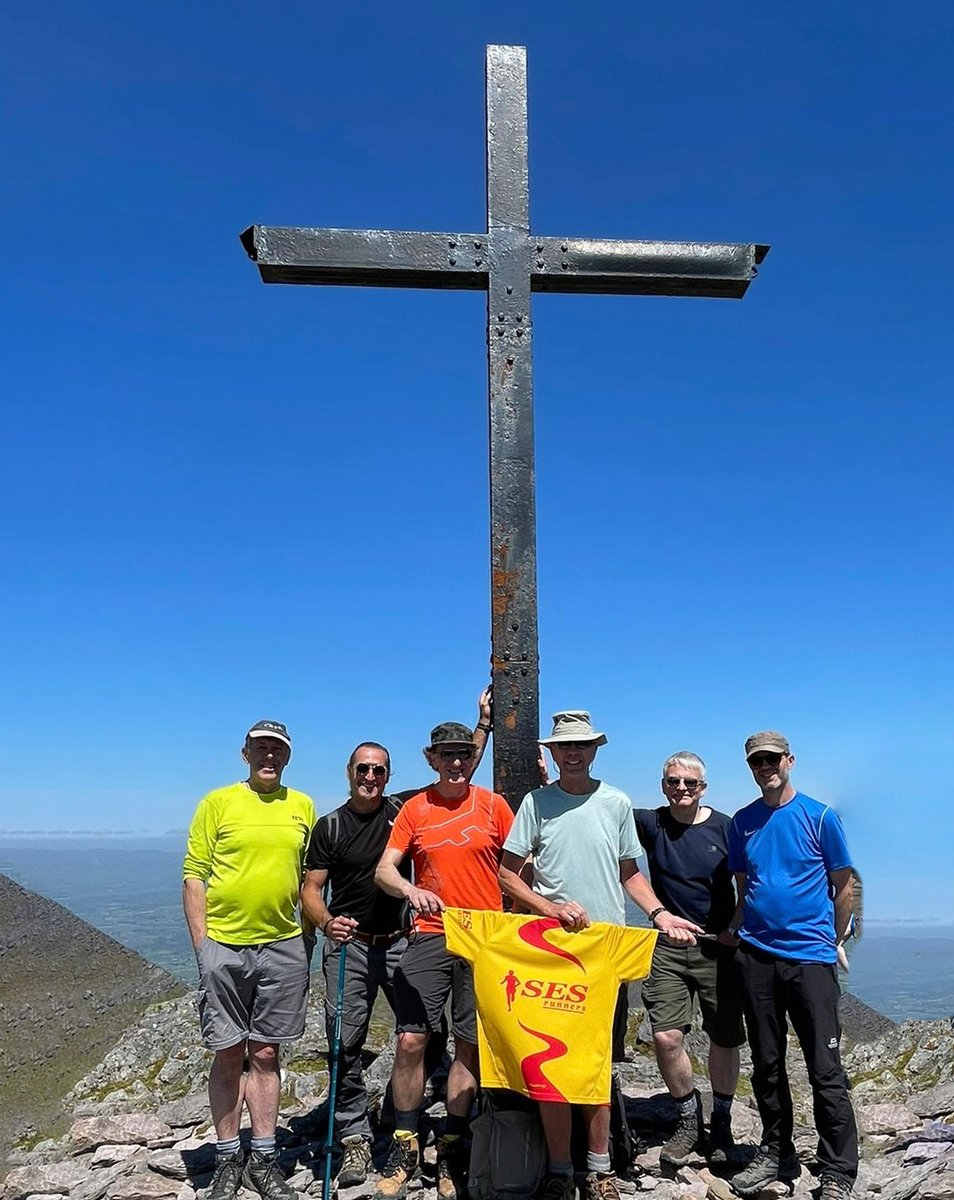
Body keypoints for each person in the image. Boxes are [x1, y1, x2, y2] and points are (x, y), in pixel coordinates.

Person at [498, 710, 702, 1200]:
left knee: (595, 1066)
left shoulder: (615, 802)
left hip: (603, 952)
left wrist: (659, 915)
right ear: (552, 752)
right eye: (563, 746)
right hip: (548, 952)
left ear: (593, 751)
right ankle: (562, 1169)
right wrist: (550, 908)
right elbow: (507, 873)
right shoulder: (535, 803)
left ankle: (599, 1168)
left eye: (581, 746)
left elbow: (630, 873)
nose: (572, 753)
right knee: (550, 1066)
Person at [298, 691, 492, 1188]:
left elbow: (457, 772)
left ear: (388, 775)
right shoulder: (331, 826)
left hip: (404, 938)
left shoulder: (402, 808)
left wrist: (483, 727)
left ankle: (409, 1125)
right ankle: (357, 1138)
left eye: (378, 770)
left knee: (424, 1037)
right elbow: (311, 889)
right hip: (352, 944)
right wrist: (325, 923)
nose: (370, 777)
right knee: (346, 1042)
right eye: (362, 769)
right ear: (349, 772)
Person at [372, 720, 515, 1200]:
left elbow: (517, 868)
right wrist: (411, 890)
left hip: (484, 938)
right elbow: (385, 869)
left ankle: (454, 1140)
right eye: (445, 755)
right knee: (411, 1040)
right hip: (431, 933)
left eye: (462, 755)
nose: (455, 762)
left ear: (470, 758)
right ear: (431, 759)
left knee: (468, 1044)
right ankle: (405, 1142)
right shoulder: (415, 809)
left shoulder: (493, 806)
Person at [182, 720, 315, 1200]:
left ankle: (262, 1157)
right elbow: (194, 875)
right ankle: (225, 1158)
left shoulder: (302, 806)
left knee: (265, 1053)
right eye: (260, 748)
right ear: (245, 753)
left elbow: (308, 879)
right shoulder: (217, 803)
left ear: (287, 757)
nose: (268, 756)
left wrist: (307, 940)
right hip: (225, 946)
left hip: (283, 945)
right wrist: (204, 949)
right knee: (228, 1053)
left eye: (276, 749)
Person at [727, 732, 858, 1200]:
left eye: (771, 759)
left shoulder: (820, 816)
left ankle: (838, 1171)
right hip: (756, 955)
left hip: (810, 959)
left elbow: (843, 885)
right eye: (756, 761)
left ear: (790, 761)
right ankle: (776, 1153)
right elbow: (746, 884)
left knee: (825, 1067)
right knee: (766, 1063)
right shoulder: (742, 821)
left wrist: (836, 938)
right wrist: (737, 930)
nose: (765, 767)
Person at [635, 752, 745, 1168]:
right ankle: (687, 1117)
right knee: (666, 1036)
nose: (682, 789)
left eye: (690, 783)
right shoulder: (650, 823)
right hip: (667, 945)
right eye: (673, 782)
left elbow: (745, 882)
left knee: (724, 1037)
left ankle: (721, 1120)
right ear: (663, 785)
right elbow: (593, 808)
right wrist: (545, 775)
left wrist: (735, 927)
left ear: (704, 787)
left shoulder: (726, 827)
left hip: (718, 946)